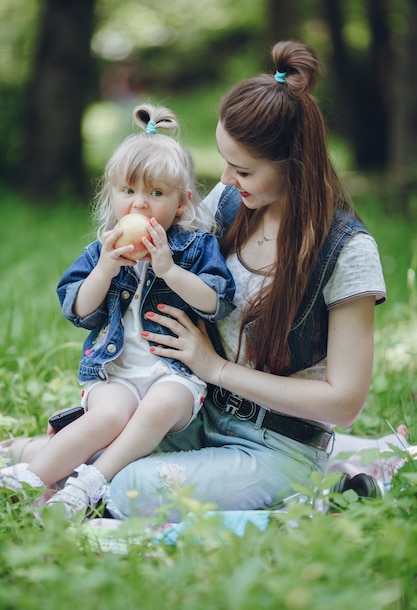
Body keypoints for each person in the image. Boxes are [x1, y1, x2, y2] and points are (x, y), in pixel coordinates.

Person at [103, 39, 388, 520]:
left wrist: (216, 368)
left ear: (294, 162)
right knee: (95, 449)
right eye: (224, 161)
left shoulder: (347, 251)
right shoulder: (230, 205)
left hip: (278, 444)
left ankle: (316, 497)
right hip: (198, 410)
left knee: (130, 490)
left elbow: (343, 402)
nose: (227, 178)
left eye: (243, 169)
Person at [0, 103, 235, 519]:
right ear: (111, 193)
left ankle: (89, 483)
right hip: (116, 371)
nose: (139, 207)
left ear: (182, 203)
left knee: (160, 405)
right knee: (108, 414)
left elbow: (217, 301)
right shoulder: (103, 250)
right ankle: (33, 479)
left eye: (156, 194)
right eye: (128, 192)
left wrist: (169, 270)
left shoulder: (196, 248)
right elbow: (76, 307)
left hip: (174, 375)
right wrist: (106, 269)